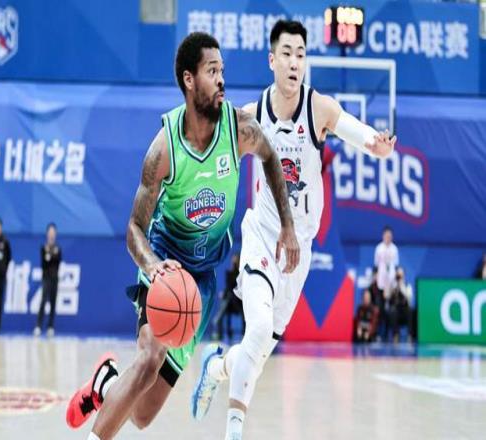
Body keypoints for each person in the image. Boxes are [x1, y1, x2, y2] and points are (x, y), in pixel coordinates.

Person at [65, 32, 300, 440]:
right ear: (189, 80)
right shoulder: (165, 148)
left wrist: (288, 224)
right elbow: (134, 229)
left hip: (202, 281)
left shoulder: (239, 129)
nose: (222, 79)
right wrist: (153, 267)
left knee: (142, 415)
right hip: (166, 261)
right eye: (212, 71)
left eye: (222, 70)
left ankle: (106, 383)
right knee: (149, 359)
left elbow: (271, 159)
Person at [190, 20, 396, 440]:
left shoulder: (319, 108)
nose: (294, 62)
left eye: (301, 55)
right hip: (263, 234)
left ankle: (217, 367)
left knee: (257, 355)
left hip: (299, 248)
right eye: (286, 54)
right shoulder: (252, 116)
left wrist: (374, 143)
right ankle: (233, 431)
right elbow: (209, 146)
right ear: (272, 60)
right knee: (258, 330)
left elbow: (355, 130)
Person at [34, 223, 62, 337]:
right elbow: (44, 263)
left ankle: (50, 326)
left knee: (53, 302)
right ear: (47, 234)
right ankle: (38, 326)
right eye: (50, 232)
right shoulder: (43, 248)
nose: (51, 235)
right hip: (46, 278)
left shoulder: (58, 248)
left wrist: (50, 255)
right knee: (43, 301)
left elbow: (57, 262)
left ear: (55, 234)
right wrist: (50, 255)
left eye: (53, 232)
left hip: (55, 278)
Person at [212, 253, 245, 341]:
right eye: (233, 260)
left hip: (238, 301)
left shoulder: (241, 273)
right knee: (226, 299)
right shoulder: (229, 273)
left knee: (230, 299)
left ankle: (244, 334)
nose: (234, 261)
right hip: (230, 301)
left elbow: (238, 287)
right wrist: (224, 293)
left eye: (236, 260)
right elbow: (229, 287)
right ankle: (219, 333)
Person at [387, 267, 413, 343]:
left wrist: (401, 285)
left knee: (410, 311)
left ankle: (410, 335)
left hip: (404, 310)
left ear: (403, 275)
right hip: (396, 310)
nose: (399, 276)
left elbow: (409, 298)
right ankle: (395, 335)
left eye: (400, 275)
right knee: (392, 311)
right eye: (398, 274)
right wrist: (393, 287)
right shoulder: (392, 285)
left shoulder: (407, 286)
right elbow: (387, 297)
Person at [374, 226, 399, 300]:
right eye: (387, 236)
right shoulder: (379, 248)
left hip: (391, 279)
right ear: (383, 236)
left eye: (390, 236)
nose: (388, 238)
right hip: (381, 279)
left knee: (392, 300)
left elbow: (396, 265)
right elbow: (376, 264)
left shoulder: (394, 249)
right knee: (381, 300)